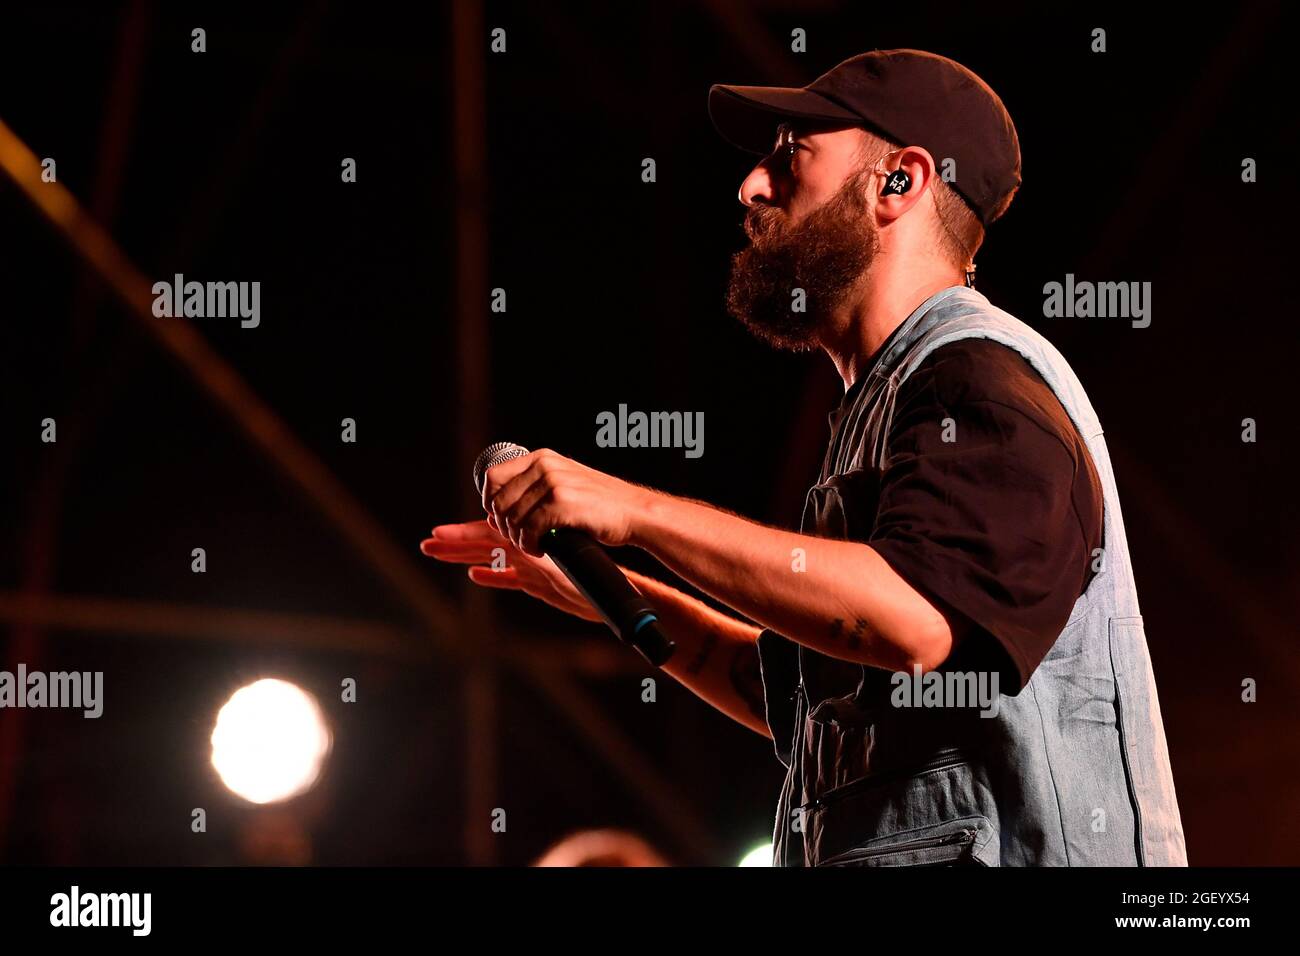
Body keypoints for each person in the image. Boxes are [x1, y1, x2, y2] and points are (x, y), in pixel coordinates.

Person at [422, 49, 1186, 867]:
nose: (751, 187)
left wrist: (635, 510)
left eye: (791, 154)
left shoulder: (979, 378)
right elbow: (789, 697)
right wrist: (612, 592)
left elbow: (911, 620)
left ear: (900, 181)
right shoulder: (880, 409)